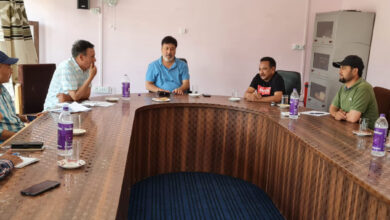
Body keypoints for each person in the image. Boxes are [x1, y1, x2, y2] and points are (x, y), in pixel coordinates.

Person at [44, 40, 97, 110]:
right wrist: (90, 77)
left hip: (72, 107)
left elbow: (87, 94)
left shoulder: (87, 68)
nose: (95, 60)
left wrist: (68, 97)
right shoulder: (67, 67)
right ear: (81, 57)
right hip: (53, 110)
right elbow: (76, 97)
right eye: (92, 57)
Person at [329, 55, 378, 129]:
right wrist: (336, 114)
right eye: (340, 68)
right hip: (347, 128)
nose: (340, 72)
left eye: (344, 68)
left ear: (355, 71)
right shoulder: (344, 87)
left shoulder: (364, 88)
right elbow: (332, 108)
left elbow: (353, 118)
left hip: (366, 134)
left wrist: (341, 114)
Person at [0, 51, 28, 143]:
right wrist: (21, 136)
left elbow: (7, 115)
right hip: (7, 143)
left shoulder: (3, 89)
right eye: (8, 67)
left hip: (19, 134)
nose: (11, 71)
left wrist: (21, 117)